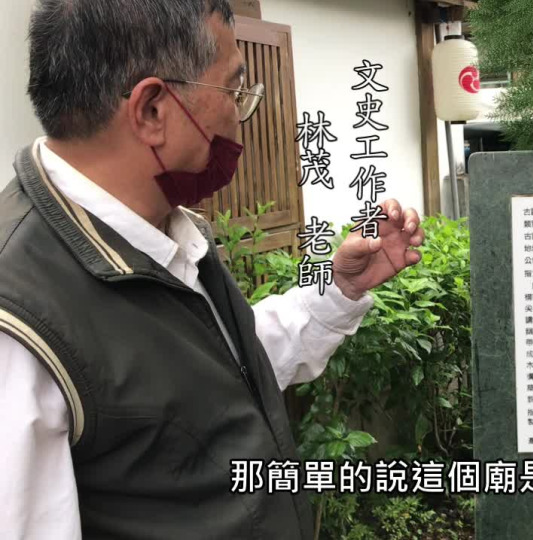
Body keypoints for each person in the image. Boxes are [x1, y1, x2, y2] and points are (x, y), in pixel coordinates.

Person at [0, 1, 425, 538]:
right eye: (234, 89)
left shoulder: (167, 232)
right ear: (152, 109)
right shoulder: (18, 321)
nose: (241, 113)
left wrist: (339, 289)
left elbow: (220, 370)